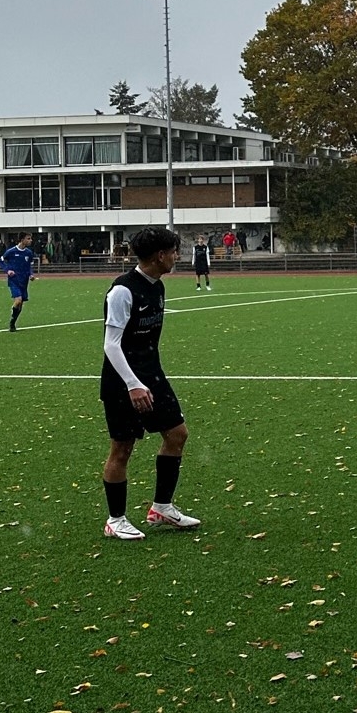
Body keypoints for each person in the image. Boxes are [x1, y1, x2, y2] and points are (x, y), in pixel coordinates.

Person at [99, 226, 201, 540]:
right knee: (122, 449)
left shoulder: (157, 286)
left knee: (177, 434)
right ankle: (116, 520)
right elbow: (111, 344)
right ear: (159, 256)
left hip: (152, 374)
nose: (176, 256)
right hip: (122, 381)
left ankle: (162, 508)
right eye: (173, 251)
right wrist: (133, 384)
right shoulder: (122, 291)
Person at [0, 232, 39, 332]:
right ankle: (12, 319)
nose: (30, 240)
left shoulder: (29, 253)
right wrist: (8, 270)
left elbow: (29, 266)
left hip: (24, 281)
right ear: (22, 240)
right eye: (28, 239)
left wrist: (31, 275)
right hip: (14, 280)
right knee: (18, 300)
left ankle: (13, 322)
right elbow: (1, 261)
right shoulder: (11, 251)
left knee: (20, 304)